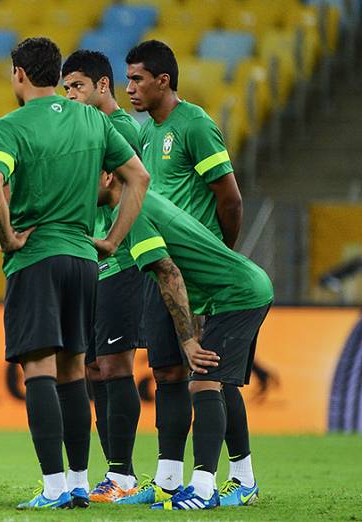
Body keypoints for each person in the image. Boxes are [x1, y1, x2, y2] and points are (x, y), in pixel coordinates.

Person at [0, 37, 150, 509]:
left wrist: (10, 238)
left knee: (39, 370)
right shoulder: (92, 119)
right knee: (75, 370)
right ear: (56, 75)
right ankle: (78, 481)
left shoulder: (10, 127)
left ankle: (53, 486)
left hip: (36, 260)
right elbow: (139, 176)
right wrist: (113, 240)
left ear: (18, 74)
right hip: (83, 259)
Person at [124, 40, 256, 505]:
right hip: (163, 271)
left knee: (214, 375)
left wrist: (219, 255)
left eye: (137, 79)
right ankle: (167, 480)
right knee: (167, 372)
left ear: (163, 80)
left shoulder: (195, 124)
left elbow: (230, 198)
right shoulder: (145, 133)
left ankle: (242, 476)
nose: (130, 88)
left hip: (201, 276)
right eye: (127, 79)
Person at [95, 171, 273, 509]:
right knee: (211, 382)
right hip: (227, 294)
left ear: (106, 177)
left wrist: (189, 342)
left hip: (239, 294)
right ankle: (183, 482)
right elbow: (175, 273)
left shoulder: (133, 212)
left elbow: (169, 273)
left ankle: (211, 487)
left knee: (205, 384)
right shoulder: (135, 206)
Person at [61, 49, 143, 503]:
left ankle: (123, 474)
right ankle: (113, 474)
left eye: (77, 85)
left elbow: (111, 189)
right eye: (66, 87)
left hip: (122, 259)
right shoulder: (88, 127)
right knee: (92, 368)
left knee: (115, 366)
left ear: (103, 85)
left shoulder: (120, 129)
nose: (70, 94)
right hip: (90, 261)